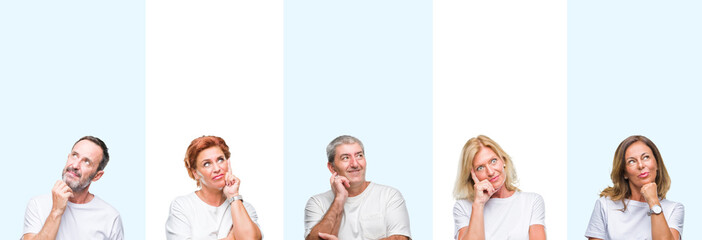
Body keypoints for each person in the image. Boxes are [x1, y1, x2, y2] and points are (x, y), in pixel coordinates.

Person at [304, 135, 411, 240]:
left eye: (359, 156)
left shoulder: (389, 195)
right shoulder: (317, 202)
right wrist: (339, 199)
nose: (355, 164)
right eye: (345, 158)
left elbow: (400, 238)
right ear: (332, 168)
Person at [22, 136, 124, 240]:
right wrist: (56, 211)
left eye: (87, 162)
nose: (75, 165)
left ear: (97, 176)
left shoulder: (111, 217)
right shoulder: (37, 205)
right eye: (74, 155)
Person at [585, 135, 684, 240]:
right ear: (624, 173)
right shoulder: (605, 205)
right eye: (631, 161)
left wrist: (653, 201)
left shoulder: (674, 209)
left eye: (646, 157)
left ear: (657, 163)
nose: (640, 165)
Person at [166, 135, 262, 240]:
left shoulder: (243, 208)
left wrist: (233, 196)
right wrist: (231, 238)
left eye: (220, 160)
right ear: (195, 173)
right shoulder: (182, 206)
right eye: (207, 164)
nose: (217, 168)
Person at [452, 135, 545, 240]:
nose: (491, 172)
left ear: (503, 160)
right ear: (472, 175)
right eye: (480, 168)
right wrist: (479, 204)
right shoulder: (463, 207)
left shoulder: (531, 202)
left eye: (493, 161)